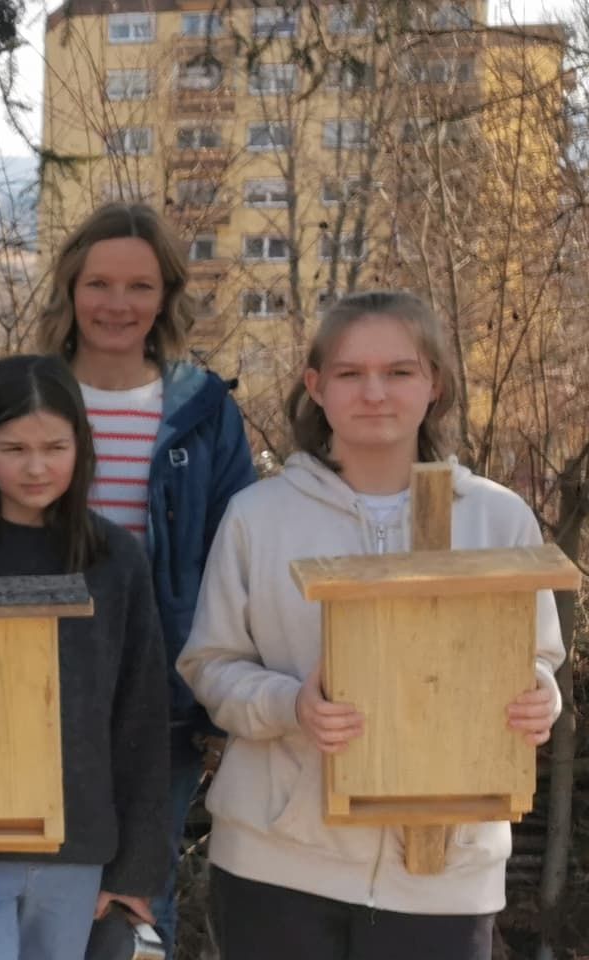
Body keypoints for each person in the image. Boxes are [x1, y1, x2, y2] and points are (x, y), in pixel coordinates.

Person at [178, 291, 562, 960]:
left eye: (399, 371)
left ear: (434, 383)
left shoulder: (497, 518)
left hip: (446, 871)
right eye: (351, 373)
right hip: (279, 862)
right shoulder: (258, 516)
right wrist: (291, 705)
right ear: (316, 386)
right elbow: (210, 665)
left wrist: (539, 698)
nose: (374, 392)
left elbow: (538, 660)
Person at [26, 202, 257, 954]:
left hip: (163, 693)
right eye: (99, 283)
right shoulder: (29, 396)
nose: (117, 304)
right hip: (37, 690)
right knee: (37, 898)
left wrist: (222, 694)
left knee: (136, 902)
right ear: (70, 289)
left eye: (139, 286)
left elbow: (236, 558)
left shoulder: (204, 411)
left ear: (166, 296)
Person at [0, 356, 169, 959]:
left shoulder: (114, 558)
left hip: (78, 845)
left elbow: (142, 713)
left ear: (82, 445)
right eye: (14, 448)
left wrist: (133, 868)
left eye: (54, 447)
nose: (36, 466)